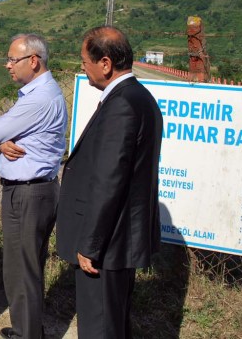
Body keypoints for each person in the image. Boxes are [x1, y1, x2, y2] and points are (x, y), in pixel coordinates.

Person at [56, 26, 163, 338]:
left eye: (84, 61)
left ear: (105, 63)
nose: (82, 68)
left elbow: (109, 181)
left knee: (99, 326)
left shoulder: (121, 105)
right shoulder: (139, 98)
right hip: (117, 238)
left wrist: (90, 245)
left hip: (107, 243)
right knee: (113, 324)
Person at [0, 34, 68, 339]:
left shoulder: (38, 99)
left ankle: (27, 334)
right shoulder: (40, 94)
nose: (7, 65)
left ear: (33, 61)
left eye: (12, 59)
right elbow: (1, 134)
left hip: (28, 193)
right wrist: (1, 140)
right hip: (34, 191)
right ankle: (27, 330)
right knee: (25, 267)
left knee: (21, 270)